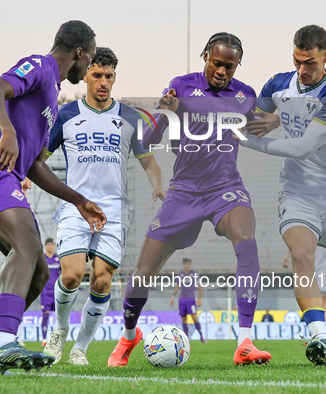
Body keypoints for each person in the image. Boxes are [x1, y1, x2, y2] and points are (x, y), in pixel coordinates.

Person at [0, 21, 107, 375]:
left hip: (6, 173)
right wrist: (6, 131)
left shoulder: (52, 92)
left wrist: (78, 200)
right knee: (28, 247)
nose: (90, 66)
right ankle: (4, 341)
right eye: (91, 57)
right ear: (79, 53)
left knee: (37, 274)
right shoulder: (40, 65)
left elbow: (35, 164)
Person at [108, 32, 272, 367]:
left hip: (225, 187)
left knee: (247, 242)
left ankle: (244, 341)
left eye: (230, 66)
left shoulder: (245, 95)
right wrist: (164, 111)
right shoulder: (181, 86)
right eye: (217, 63)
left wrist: (276, 119)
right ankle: (127, 336)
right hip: (183, 191)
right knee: (143, 273)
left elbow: (260, 124)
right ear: (205, 57)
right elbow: (149, 137)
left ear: (237, 66)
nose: (222, 71)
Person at [240, 25, 326, 365]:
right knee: (301, 254)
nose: (303, 69)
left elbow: (302, 146)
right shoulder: (277, 83)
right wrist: (265, 120)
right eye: (297, 60)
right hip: (298, 191)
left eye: (311, 62)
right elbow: (255, 116)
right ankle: (319, 338)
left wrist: (251, 141)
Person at [43, 47, 165, 366]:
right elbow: (40, 157)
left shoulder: (129, 117)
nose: (103, 82)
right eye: (96, 75)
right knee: (71, 276)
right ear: (85, 76)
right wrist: (27, 177)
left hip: (114, 211)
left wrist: (159, 184)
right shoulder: (66, 115)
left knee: (102, 281)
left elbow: (149, 161)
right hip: (76, 205)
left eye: (109, 76)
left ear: (114, 78)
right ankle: (58, 332)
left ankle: (80, 347)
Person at [170, 258, 206, 342]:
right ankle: (186, 338)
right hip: (182, 300)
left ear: (189, 265)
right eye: (185, 264)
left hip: (191, 300)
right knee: (183, 318)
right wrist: (173, 297)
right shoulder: (180, 275)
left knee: (194, 317)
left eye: (188, 264)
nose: (186, 265)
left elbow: (200, 287)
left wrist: (199, 299)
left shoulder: (194, 274)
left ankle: (201, 336)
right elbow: (177, 286)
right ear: (183, 264)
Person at [40, 238, 60, 347]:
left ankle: (57, 338)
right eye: (48, 244)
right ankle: (44, 339)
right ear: (45, 246)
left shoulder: (58, 259)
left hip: (56, 291)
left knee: (58, 316)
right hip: (45, 291)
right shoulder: (42, 258)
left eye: (52, 244)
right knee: (46, 315)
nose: (50, 246)